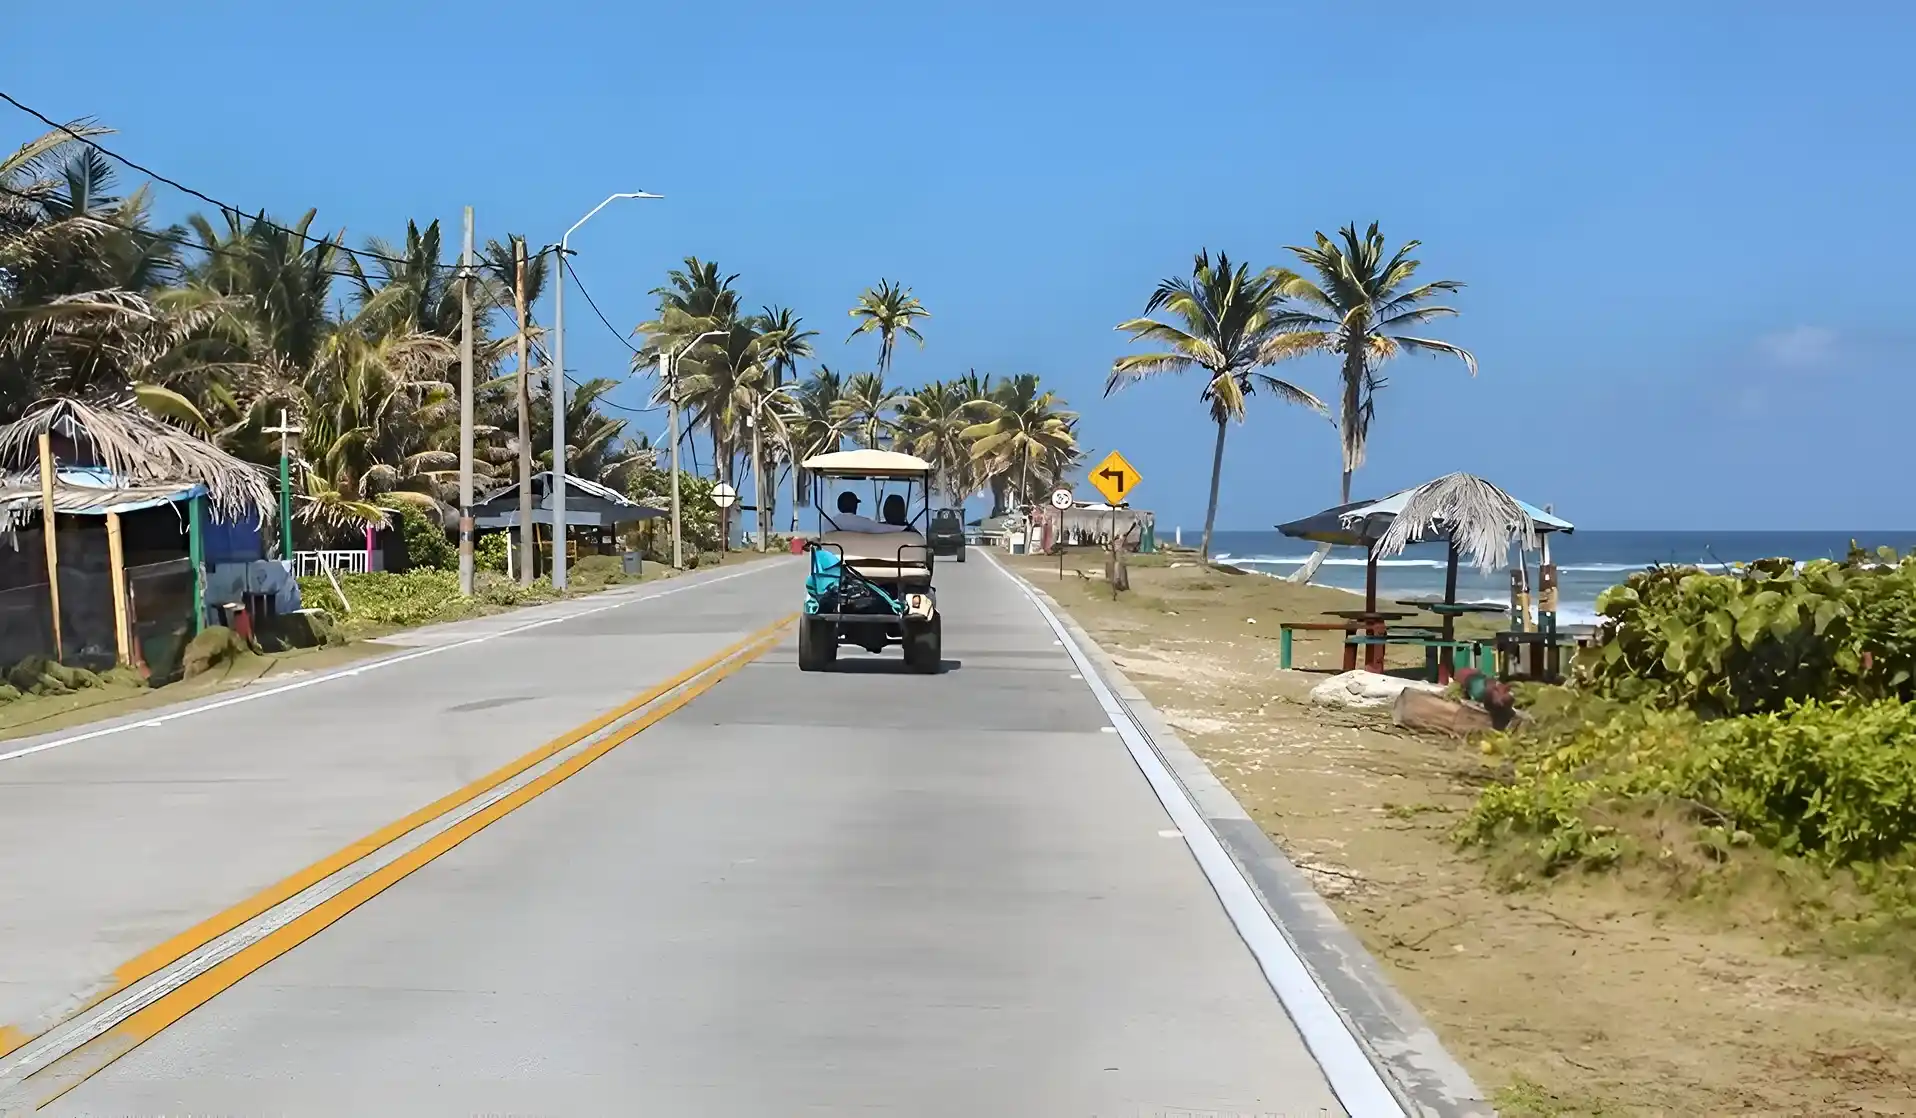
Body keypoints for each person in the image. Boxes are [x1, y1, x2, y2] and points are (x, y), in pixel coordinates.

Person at [827, 491, 906, 533]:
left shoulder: (829, 523)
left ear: (838, 506)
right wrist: (905, 528)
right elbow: (881, 528)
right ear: (855, 506)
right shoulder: (863, 523)